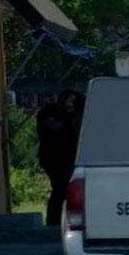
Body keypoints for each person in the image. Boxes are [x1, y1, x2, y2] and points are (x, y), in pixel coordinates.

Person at [37, 90, 83, 226]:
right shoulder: (50, 111)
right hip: (53, 158)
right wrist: (69, 119)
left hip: (66, 159)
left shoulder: (69, 115)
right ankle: (53, 221)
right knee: (59, 189)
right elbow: (52, 127)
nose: (71, 106)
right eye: (70, 102)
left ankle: (57, 220)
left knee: (63, 190)